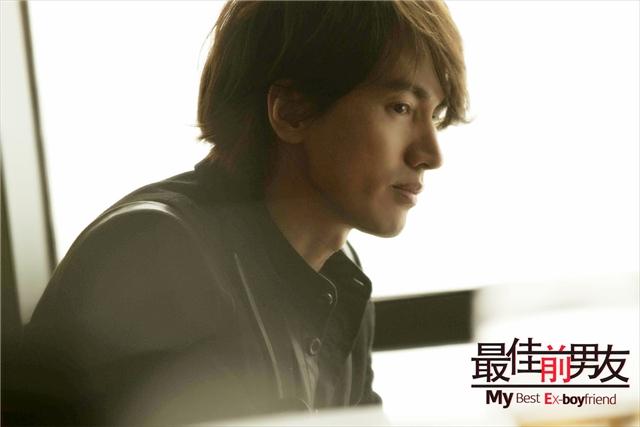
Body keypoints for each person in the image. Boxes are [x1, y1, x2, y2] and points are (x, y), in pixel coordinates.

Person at [17, 1, 469, 425]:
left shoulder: (340, 276)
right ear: (291, 111)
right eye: (400, 108)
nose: (430, 154)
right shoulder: (159, 252)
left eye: (435, 116)